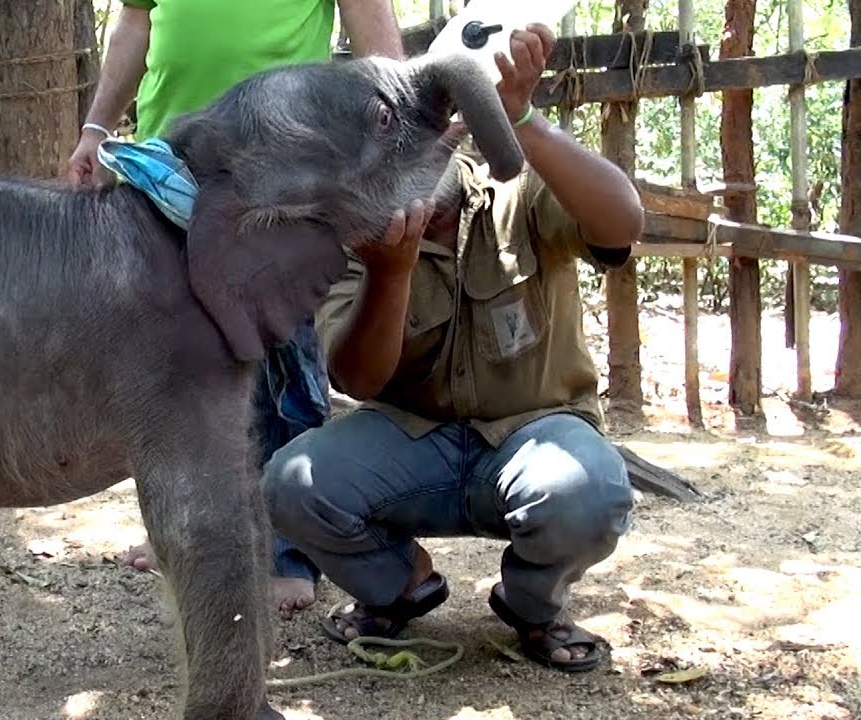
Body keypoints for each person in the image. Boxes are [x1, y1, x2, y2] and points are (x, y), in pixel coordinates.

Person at [261, 23, 643, 673]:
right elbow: (359, 378)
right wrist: (392, 272)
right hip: (413, 444)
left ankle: (533, 605)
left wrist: (523, 120)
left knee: (591, 492)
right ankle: (399, 584)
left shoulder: (514, 181)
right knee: (290, 483)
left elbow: (623, 222)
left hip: (536, 433)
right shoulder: (348, 237)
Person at [66, 0, 405, 616]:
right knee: (174, 369)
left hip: (281, 174)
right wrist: (95, 128)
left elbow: (374, 32)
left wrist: (396, 141)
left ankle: (286, 551)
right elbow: (136, 25)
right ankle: (183, 529)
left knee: (281, 362)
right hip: (169, 169)